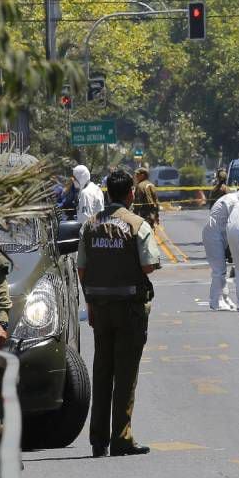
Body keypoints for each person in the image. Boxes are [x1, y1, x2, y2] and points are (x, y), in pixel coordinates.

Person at [77, 169, 161, 458]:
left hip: (99, 309)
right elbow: (149, 265)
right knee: (125, 375)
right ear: (130, 195)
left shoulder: (89, 225)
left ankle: (98, 440)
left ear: (106, 194)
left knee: (102, 372)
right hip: (129, 310)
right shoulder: (138, 225)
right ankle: (121, 439)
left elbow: (82, 267)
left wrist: (90, 298)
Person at [203, 189, 239, 311]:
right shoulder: (232, 201)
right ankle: (215, 302)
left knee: (222, 270)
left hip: (218, 235)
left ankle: (224, 299)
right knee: (219, 271)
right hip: (214, 235)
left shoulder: (230, 198)